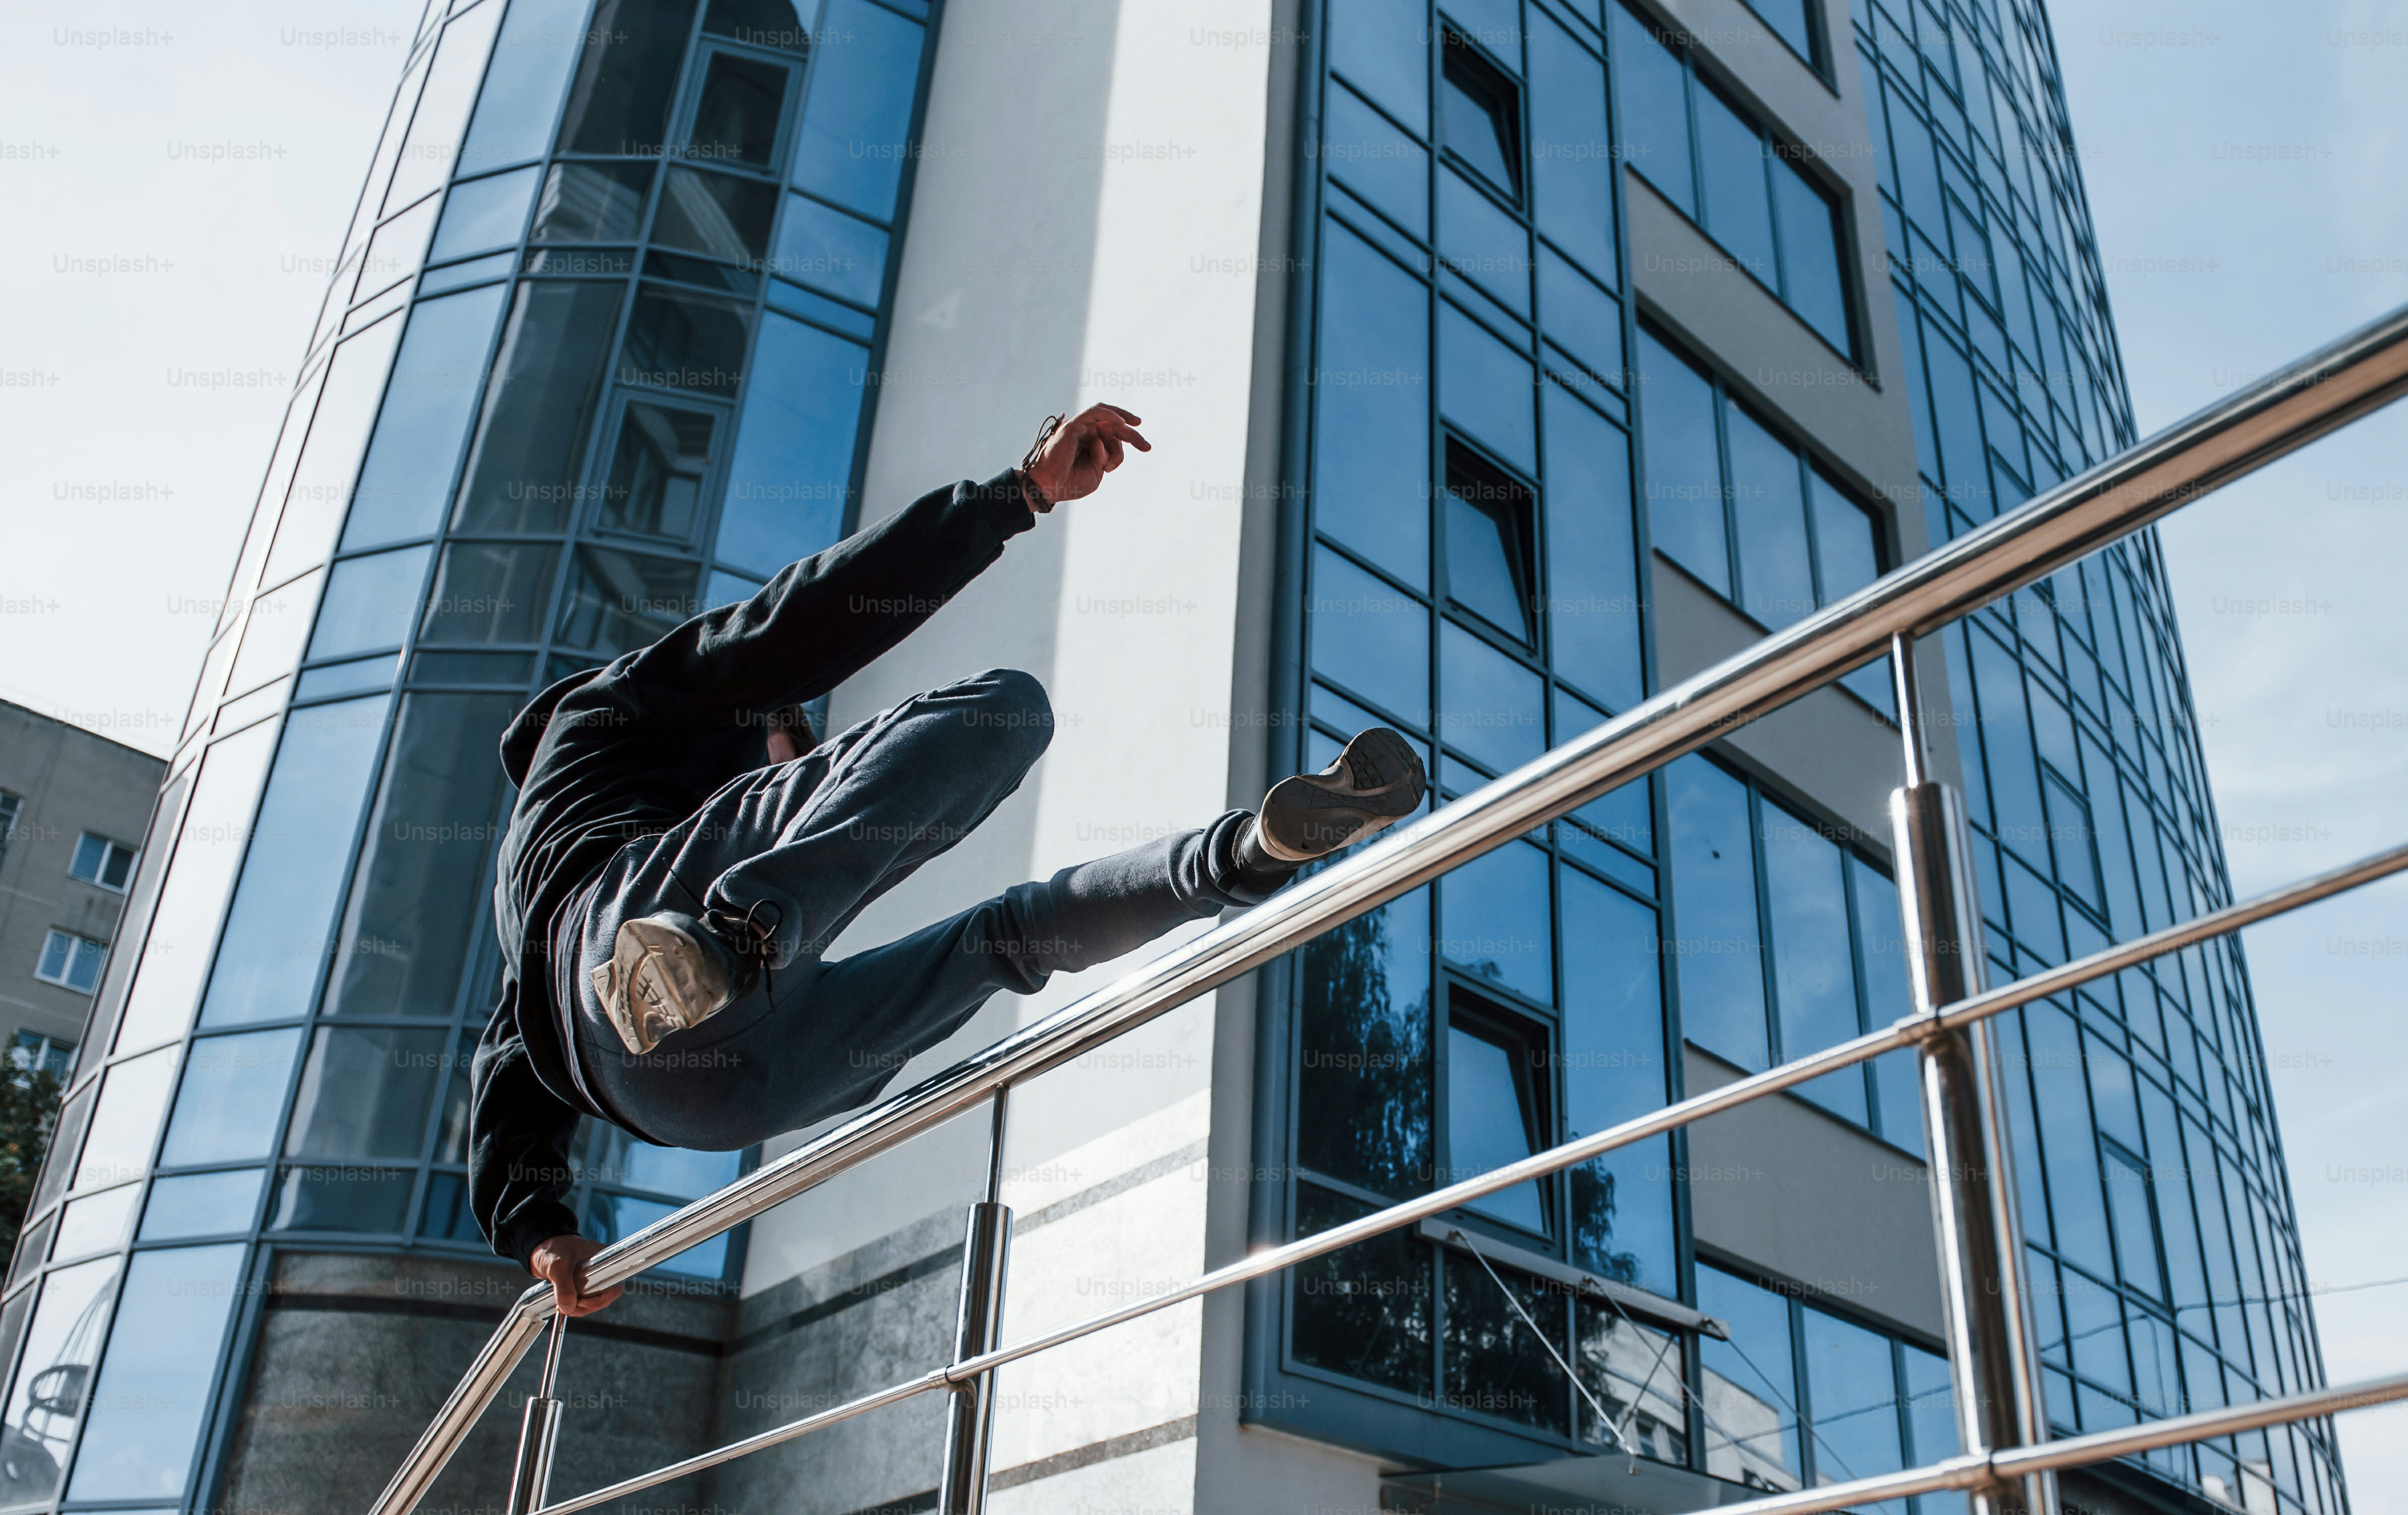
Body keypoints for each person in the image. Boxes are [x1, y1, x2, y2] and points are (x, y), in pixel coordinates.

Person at [470, 404, 1425, 1316]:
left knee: (1006, 942)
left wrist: (539, 1230)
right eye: (792, 741)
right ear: (765, 726)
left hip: (700, 1100)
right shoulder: (604, 718)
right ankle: (737, 933)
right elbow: (790, 623)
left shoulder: (531, 900)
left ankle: (1241, 854)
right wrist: (1016, 494)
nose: (801, 769)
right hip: (627, 952)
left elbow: (512, 1044)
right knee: (1006, 708)